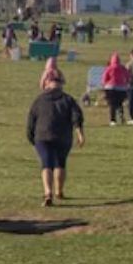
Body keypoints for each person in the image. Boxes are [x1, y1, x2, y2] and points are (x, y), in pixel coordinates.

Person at [26, 59, 85, 207]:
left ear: (47, 83)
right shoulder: (68, 99)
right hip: (63, 137)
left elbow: (31, 120)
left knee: (46, 164)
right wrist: (80, 133)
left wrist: (31, 137)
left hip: (42, 136)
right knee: (60, 163)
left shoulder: (39, 100)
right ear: (60, 84)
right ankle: (59, 191)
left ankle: (48, 193)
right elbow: (76, 116)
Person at [101, 52, 132, 126]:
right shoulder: (122, 68)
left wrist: (104, 85)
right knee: (120, 104)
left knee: (112, 105)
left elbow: (104, 78)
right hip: (121, 88)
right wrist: (126, 84)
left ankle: (113, 120)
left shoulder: (109, 68)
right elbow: (128, 76)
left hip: (110, 88)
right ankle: (121, 117)